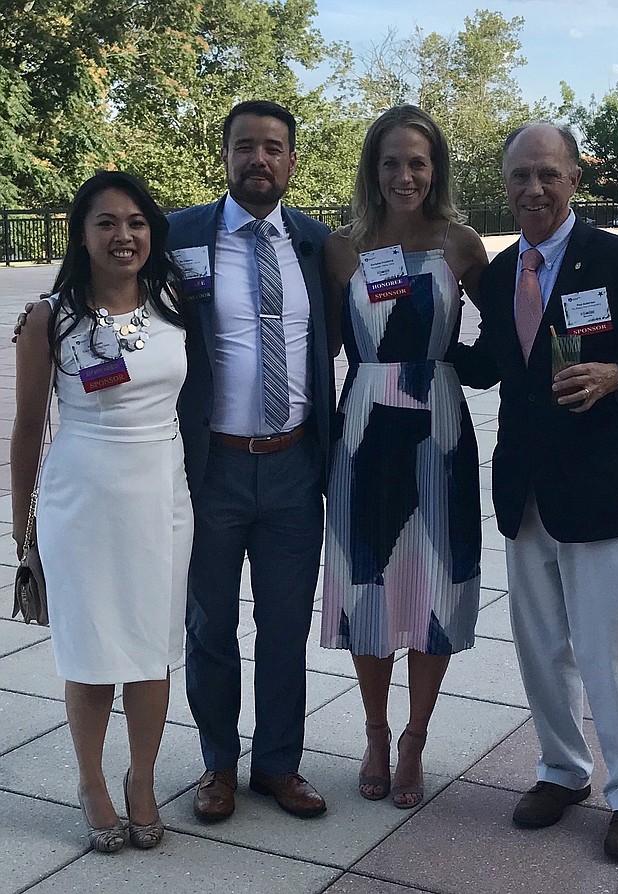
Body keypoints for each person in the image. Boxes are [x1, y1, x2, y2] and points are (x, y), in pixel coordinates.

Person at [453, 123, 618, 860]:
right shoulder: (498, 269)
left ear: (575, 178)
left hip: (604, 493)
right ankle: (561, 771)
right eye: (519, 176)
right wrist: (415, 338)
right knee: (542, 648)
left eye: (548, 174)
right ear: (505, 183)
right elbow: (490, 364)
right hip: (526, 491)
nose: (533, 189)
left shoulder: (617, 259)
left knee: (617, 654)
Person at [11, 171, 193, 852]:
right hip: (81, 503)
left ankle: (141, 778)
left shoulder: (175, 300)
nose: (124, 236)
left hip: (165, 500)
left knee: (152, 654)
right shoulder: (47, 318)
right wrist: (21, 529)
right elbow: (28, 429)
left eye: (137, 222)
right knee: (89, 657)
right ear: (81, 235)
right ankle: (90, 781)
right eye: (106, 223)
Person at [320, 105, 488, 808]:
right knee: (369, 586)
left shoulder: (461, 244)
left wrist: (461, 363)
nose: (405, 175)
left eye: (417, 161)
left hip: (438, 429)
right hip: (361, 429)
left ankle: (416, 736)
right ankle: (376, 730)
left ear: (435, 168)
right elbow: (315, 348)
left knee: (436, 583)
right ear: (372, 169)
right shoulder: (342, 248)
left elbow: (509, 337)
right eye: (391, 161)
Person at [169, 100, 332, 820]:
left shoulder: (320, 245)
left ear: (292, 161)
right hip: (212, 469)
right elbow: (106, 291)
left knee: (286, 624)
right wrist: (47, 314)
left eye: (273, 148)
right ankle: (217, 766)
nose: (259, 159)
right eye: (245, 147)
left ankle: (278, 763)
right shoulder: (178, 236)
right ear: (225, 156)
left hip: (295, 466)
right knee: (208, 626)